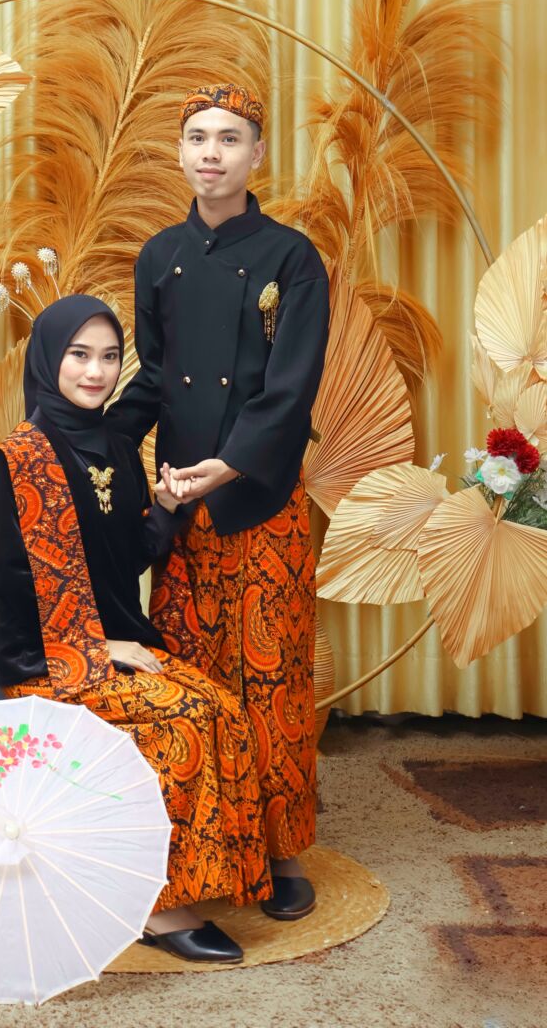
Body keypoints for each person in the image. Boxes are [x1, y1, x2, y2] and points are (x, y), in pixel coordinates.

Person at [0, 294, 274, 964]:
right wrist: (96, 645)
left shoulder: (116, 445)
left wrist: (166, 506)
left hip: (110, 645)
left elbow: (129, 559)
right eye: (79, 355)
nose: (96, 371)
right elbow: (19, 586)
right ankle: (157, 908)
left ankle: (201, 880)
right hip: (47, 660)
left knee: (222, 708)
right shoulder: (18, 458)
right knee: (181, 723)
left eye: (110, 356)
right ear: (48, 358)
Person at [107, 83, 330, 920]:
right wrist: (92, 439)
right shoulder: (159, 254)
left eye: (229, 138)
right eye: (198, 136)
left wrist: (228, 467)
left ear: (257, 153)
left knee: (274, 680)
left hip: (261, 499)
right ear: (180, 151)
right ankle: (208, 841)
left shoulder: (291, 257)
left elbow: (290, 389)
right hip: (182, 503)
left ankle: (282, 850)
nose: (211, 152)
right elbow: (157, 378)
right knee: (193, 675)